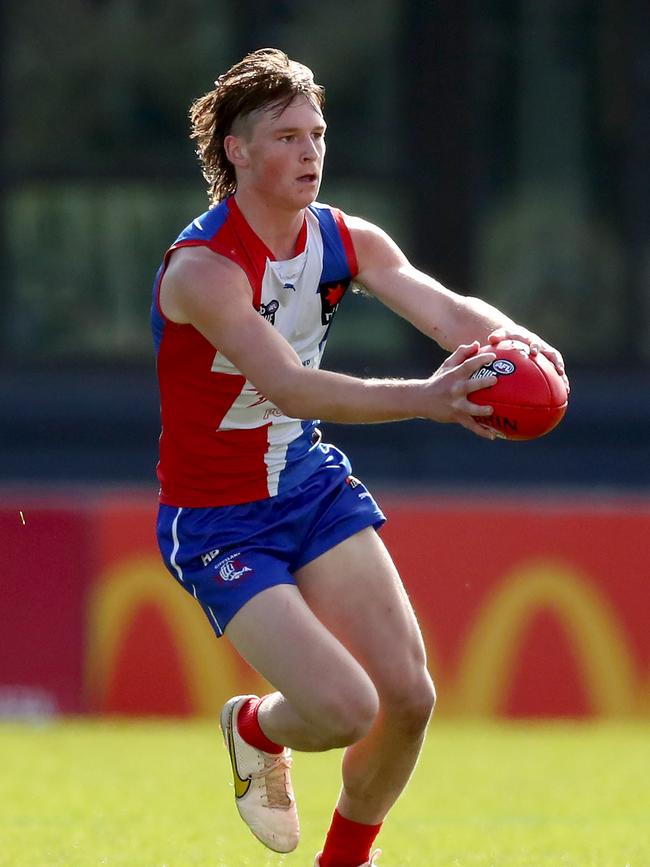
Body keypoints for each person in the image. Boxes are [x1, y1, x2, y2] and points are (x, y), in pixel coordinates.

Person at [151, 48, 567, 867]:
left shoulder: (344, 238)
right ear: (236, 151)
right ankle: (252, 725)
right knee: (345, 708)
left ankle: (347, 862)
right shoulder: (203, 269)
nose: (311, 152)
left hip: (305, 483)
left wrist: (518, 346)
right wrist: (431, 398)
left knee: (409, 698)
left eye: (319, 134)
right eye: (289, 137)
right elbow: (290, 386)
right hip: (218, 520)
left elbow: (448, 311)